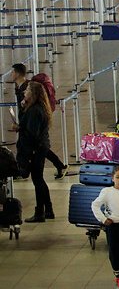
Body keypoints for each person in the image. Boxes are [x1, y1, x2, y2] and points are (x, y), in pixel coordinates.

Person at [9, 64, 67, 179]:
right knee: (41, 146)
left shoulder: (27, 87)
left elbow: (30, 109)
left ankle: (22, 170)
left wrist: (21, 126)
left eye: (12, 72)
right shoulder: (19, 87)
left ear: (17, 73)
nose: (11, 74)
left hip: (32, 122)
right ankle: (59, 165)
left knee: (38, 146)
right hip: (29, 122)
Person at [17, 81, 54, 222]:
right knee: (39, 179)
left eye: (27, 91)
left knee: (37, 180)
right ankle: (48, 209)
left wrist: (18, 128)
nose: (24, 92)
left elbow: (32, 133)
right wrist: (22, 108)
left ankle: (40, 213)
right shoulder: (38, 108)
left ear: (32, 94)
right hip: (41, 147)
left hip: (35, 149)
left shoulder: (34, 111)